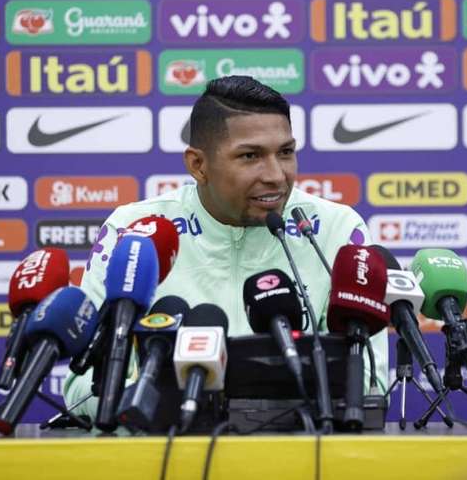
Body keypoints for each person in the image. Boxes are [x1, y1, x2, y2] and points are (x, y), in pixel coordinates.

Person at [63, 75, 388, 419]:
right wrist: (174, 401)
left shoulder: (336, 229)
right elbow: (82, 388)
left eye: (286, 152)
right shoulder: (134, 233)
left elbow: (369, 383)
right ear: (198, 165)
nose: (276, 175)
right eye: (250, 156)